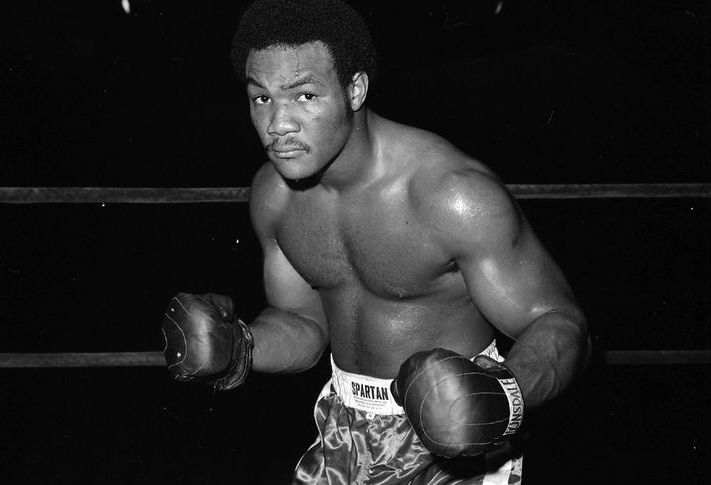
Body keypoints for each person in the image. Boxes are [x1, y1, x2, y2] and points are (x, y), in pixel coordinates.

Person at [161, 0, 590, 483]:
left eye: (304, 96)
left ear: (355, 89)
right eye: (261, 98)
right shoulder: (273, 196)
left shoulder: (451, 195)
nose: (278, 124)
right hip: (342, 432)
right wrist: (240, 345)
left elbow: (560, 323)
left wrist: (502, 395)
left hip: (454, 451)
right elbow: (304, 321)